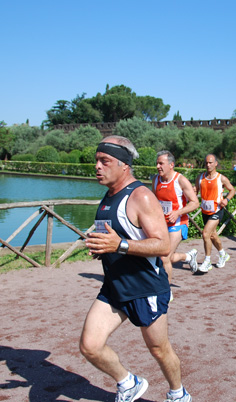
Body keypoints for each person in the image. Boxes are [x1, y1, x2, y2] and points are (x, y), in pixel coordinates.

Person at [82, 136, 191, 402]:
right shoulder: (108, 197)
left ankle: (178, 394)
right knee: (90, 346)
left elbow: (163, 245)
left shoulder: (141, 196)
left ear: (123, 166)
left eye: (104, 161)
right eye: (96, 160)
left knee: (159, 349)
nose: (97, 166)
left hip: (145, 287)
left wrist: (118, 245)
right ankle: (128, 383)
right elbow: (110, 235)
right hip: (115, 286)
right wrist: (100, 246)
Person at [153, 151, 200, 277]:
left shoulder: (181, 180)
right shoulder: (156, 180)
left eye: (161, 163)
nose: (158, 166)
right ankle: (188, 256)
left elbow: (195, 203)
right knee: (161, 256)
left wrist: (178, 212)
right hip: (162, 224)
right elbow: (154, 201)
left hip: (178, 223)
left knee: (164, 257)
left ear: (171, 164)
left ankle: (166, 293)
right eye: (157, 163)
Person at [195, 154, 236, 273]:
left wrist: (226, 200)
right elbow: (195, 191)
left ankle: (207, 261)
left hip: (217, 211)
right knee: (212, 235)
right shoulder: (200, 177)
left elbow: (232, 190)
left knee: (205, 233)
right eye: (206, 163)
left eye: (211, 162)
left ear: (216, 164)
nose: (208, 165)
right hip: (205, 211)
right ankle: (223, 254)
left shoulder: (221, 178)